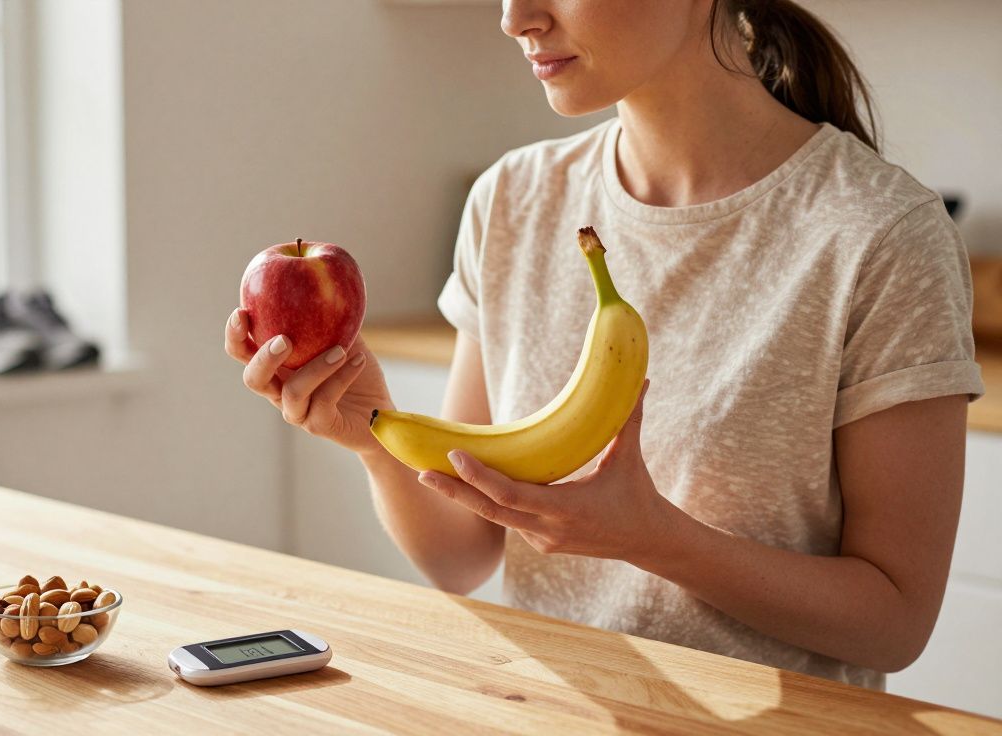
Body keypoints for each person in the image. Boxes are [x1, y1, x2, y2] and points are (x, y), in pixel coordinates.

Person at [224, 0, 984, 689]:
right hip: (556, 709)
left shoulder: (883, 237)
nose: (514, 17)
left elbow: (894, 623)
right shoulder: (513, 199)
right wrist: (373, 435)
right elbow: (461, 556)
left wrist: (657, 541)